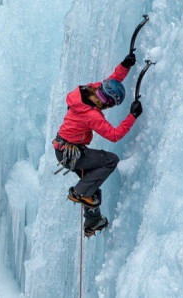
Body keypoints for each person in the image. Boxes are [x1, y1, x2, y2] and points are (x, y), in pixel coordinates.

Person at [53, 52, 143, 237]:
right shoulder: (92, 115)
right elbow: (114, 135)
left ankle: (93, 221)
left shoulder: (87, 91)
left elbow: (111, 81)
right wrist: (132, 116)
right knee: (110, 161)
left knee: (93, 181)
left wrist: (125, 65)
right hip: (70, 153)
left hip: (65, 149)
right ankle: (79, 192)